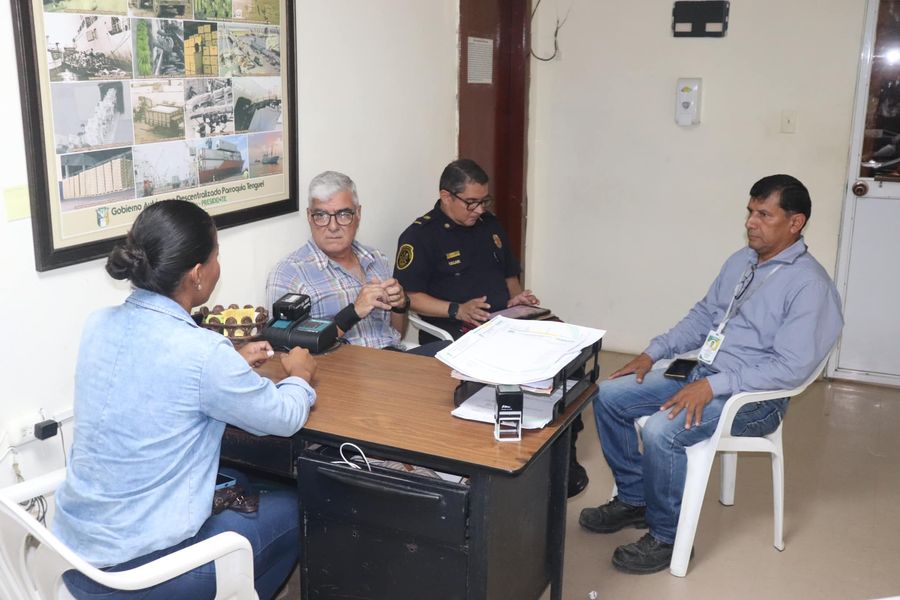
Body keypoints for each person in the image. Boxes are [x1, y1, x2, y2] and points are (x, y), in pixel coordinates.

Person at [579, 174, 843, 574]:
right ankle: (634, 499)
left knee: (662, 431)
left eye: (764, 214)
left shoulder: (810, 286)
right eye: (750, 212)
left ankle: (666, 538)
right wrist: (653, 353)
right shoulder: (742, 260)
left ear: (795, 222)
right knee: (608, 395)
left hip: (753, 400)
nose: (750, 222)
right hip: (703, 373)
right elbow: (704, 317)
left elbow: (790, 368)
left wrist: (713, 385)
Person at [53, 200, 318, 599]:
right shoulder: (202, 353)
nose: (217, 266)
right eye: (216, 256)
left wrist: (227, 364)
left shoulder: (98, 324)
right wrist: (299, 375)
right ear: (197, 274)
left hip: (76, 559)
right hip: (142, 578)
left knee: (243, 482)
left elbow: (153, 378)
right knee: (297, 507)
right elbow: (283, 417)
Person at [393, 158, 589, 497]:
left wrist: (518, 301)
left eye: (484, 201)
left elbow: (509, 276)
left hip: (506, 321)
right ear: (446, 196)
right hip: (459, 331)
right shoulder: (420, 236)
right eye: (471, 202)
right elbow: (409, 296)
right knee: (525, 368)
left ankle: (563, 454)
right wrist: (457, 309)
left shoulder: (490, 225)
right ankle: (516, 463)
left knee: (569, 355)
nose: (479, 209)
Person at [267, 171, 436, 354]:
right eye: (321, 215)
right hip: (344, 368)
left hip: (393, 358)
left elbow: (397, 334)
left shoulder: (376, 258)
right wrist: (353, 312)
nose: (333, 226)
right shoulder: (290, 273)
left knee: (450, 356)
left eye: (343, 214)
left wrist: (400, 306)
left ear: (358, 214)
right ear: (309, 216)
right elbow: (284, 349)